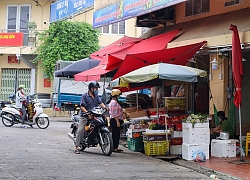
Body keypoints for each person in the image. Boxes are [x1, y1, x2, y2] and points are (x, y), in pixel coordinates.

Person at [75, 81, 107, 154]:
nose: (96, 90)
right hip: (85, 116)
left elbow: (101, 103)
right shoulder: (85, 96)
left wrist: (105, 107)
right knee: (80, 130)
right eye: (95, 88)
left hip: (94, 115)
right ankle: (77, 147)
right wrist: (87, 113)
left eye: (97, 88)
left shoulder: (96, 96)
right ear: (90, 89)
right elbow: (82, 107)